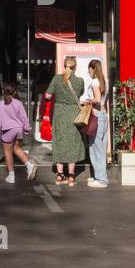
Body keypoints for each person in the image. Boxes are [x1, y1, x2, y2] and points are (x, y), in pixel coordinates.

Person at [45, 55, 86, 185]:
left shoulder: (56, 79)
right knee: (72, 143)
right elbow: (80, 94)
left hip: (59, 114)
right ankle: (72, 177)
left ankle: (60, 175)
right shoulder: (80, 81)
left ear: (64, 65)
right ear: (75, 67)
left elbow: (47, 95)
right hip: (73, 114)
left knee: (59, 141)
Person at [0, 81, 35, 184]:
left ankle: (11, 176)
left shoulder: (0, 105)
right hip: (18, 129)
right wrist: (27, 128)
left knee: (8, 152)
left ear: (3, 91)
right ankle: (29, 165)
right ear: (15, 92)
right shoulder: (18, 103)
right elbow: (24, 118)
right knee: (16, 148)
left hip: (8, 130)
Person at [81, 59, 110, 188]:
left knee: (95, 148)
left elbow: (97, 99)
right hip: (104, 115)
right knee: (101, 148)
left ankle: (101, 179)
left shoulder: (95, 81)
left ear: (93, 69)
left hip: (96, 115)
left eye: (89, 69)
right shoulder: (105, 81)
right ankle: (99, 176)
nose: (88, 72)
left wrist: (87, 101)